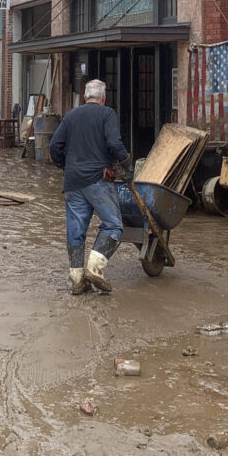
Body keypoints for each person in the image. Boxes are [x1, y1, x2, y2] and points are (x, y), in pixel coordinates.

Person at [49, 79, 130, 295]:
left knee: (76, 231)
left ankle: (77, 280)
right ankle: (95, 268)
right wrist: (127, 163)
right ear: (103, 98)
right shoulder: (107, 114)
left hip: (73, 181)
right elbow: (115, 144)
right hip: (98, 179)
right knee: (113, 225)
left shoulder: (71, 115)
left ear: (85, 96)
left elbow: (54, 146)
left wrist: (64, 166)